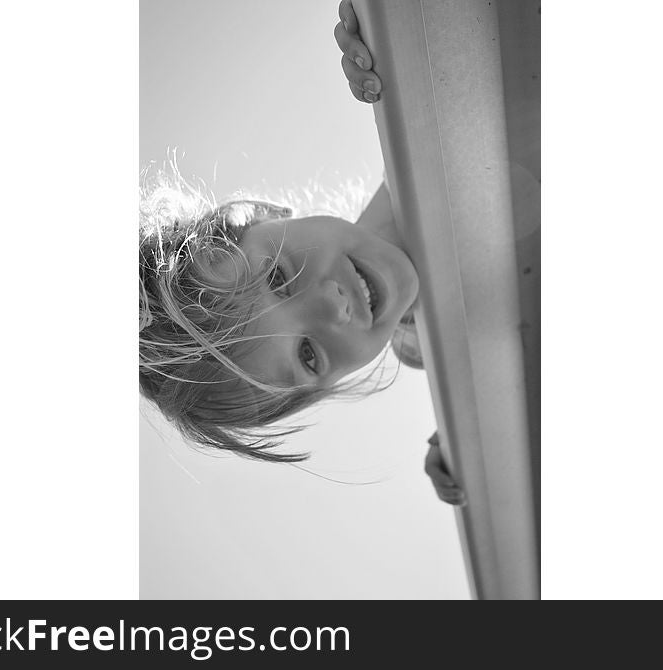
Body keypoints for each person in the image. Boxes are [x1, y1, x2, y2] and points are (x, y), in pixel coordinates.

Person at [139, 0, 466, 504]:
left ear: (261, 214)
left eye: (279, 278)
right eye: (309, 355)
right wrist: (469, 439)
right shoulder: (428, 348)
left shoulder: (414, 122)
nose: (333, 306)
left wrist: (396, 37)